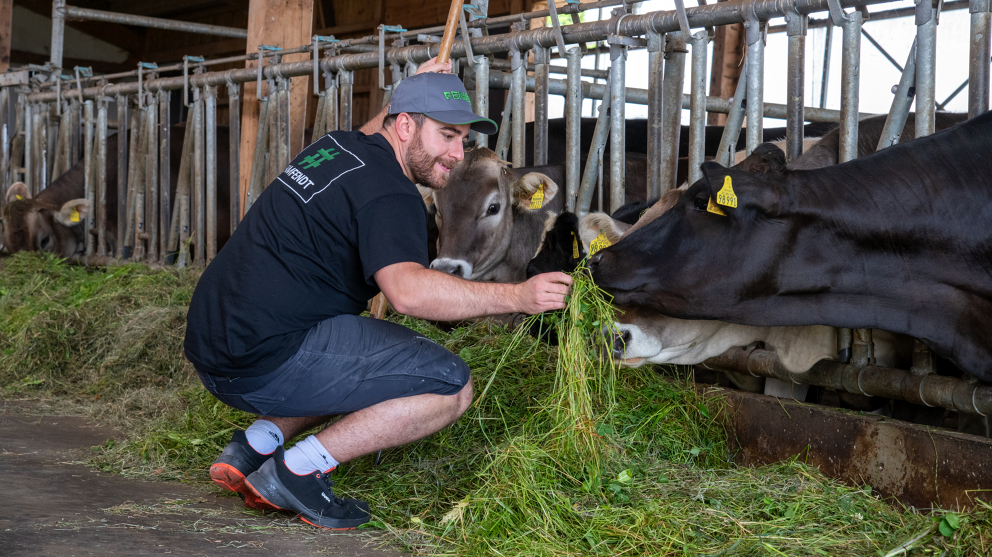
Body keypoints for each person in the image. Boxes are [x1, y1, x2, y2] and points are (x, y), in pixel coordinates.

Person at [184, 59, 573, 530]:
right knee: (450, 384)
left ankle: (255, 444)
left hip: (213, 342)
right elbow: (408, 294)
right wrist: (518, 298)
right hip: (262, 362)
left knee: (367, 355)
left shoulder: (338, 147)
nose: (457, 152)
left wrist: (412, 88)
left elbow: (378, 133)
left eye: (463, 139)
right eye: (447, 135)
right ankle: (298, 470)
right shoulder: (392, 197)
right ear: (406, 124)